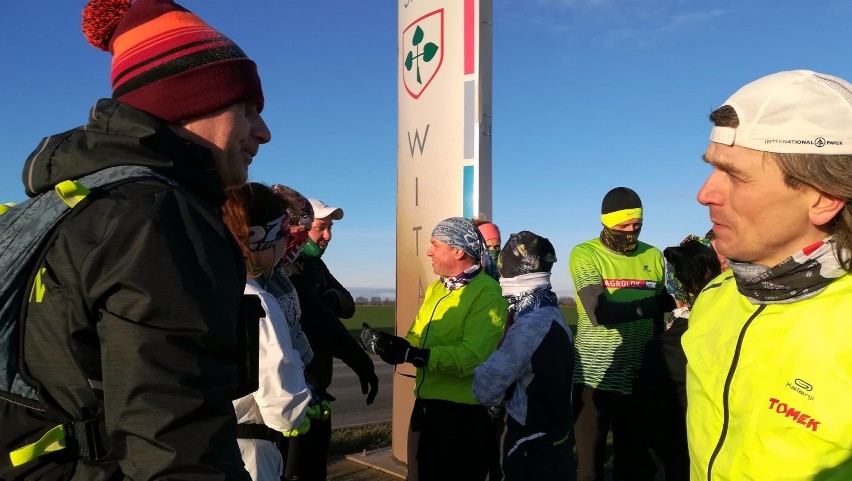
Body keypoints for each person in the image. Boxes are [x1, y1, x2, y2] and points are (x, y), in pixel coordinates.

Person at [3, 0, 271, 479]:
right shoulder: (155, 215)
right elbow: (174, 442)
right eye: (246, 108)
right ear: (190, 101)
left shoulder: (70, 203)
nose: (263, 132)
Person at [683, 69, 852, 481]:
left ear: (824, 198)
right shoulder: (717, 296)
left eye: (735, 175)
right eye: (712, 168)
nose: (705, 194)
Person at [363, 216, 508, 481]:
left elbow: (473, 356)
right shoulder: (436, 288)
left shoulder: (487, 292)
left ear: (457, 250)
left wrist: (417, 355)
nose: (429, 251)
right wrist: (395, 344)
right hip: (426, 406)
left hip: (462, 414)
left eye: (435, 244)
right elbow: (418, 335)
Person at [569, 187, 672, 481]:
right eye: (623, 226)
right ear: (605, 222)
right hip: (595, 376)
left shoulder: (653, 255)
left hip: (638, 377)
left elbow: (657, 319)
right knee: (590, 468)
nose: (630, 232)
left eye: (636, 226)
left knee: (635, 465)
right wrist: (657, 303)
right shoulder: (585, 253)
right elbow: (599, 313)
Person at [222, 183, 313, 481]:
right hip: (249, 450)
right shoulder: (256, 300)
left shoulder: (207, 289)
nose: (287, 247)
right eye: (285, 237)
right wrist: (302, 406)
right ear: (266, 240)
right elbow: (282, 408)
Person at [284, 197, 379, 481]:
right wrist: (361, 361)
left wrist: (328, 298)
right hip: (291, 395)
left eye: (331, 229)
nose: (328, 236)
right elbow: (321, 320)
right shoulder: (288, 264)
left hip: (316, 390)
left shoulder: (315, 265)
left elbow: (348, 305)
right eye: (321, 227)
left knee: (315, 470)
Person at [473, 231, 576, 481]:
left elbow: (485, 388)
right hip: (555, 435)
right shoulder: (552, 313)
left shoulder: (530, 325)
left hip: (531, 442)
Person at [633, 235, 721, 481]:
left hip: (680, 456)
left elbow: (651, 421)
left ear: (673, 289)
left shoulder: (662, 348)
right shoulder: (736, 329)